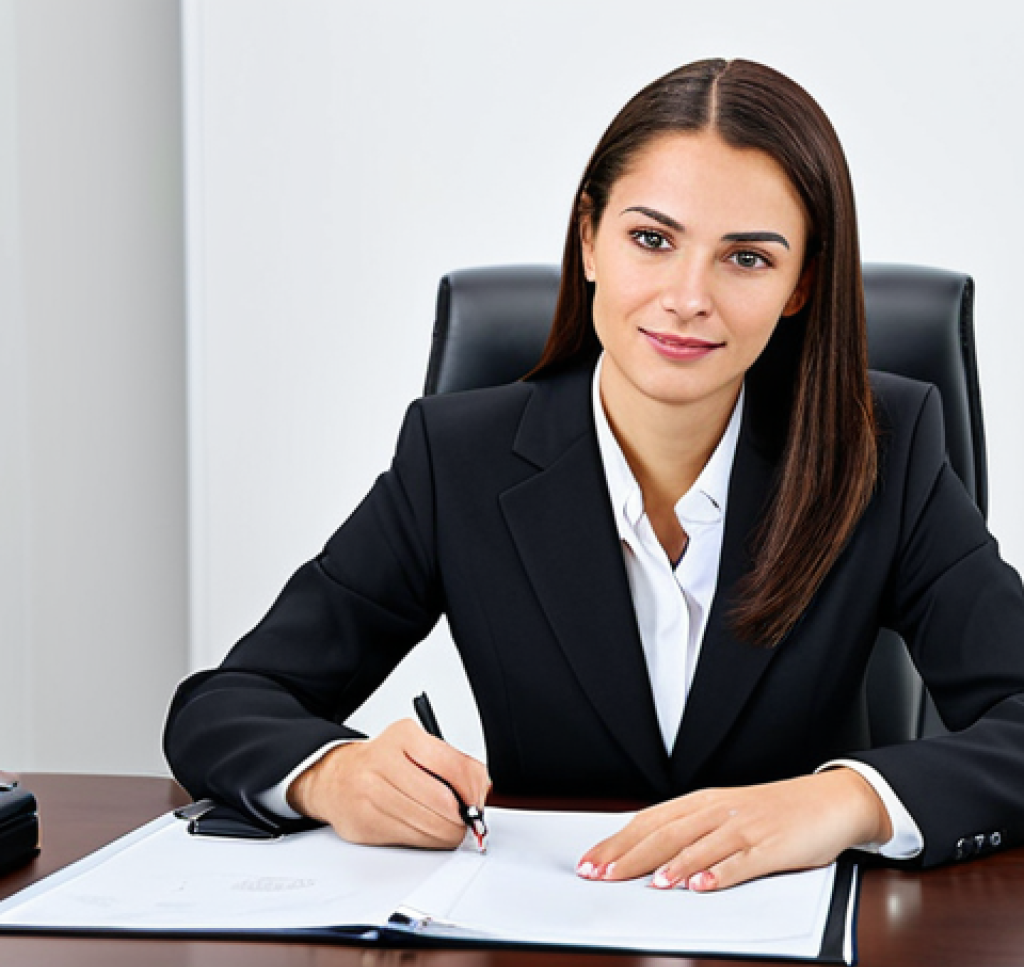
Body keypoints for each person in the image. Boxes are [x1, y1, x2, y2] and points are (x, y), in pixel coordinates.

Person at [164, 58, 1024, 893]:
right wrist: (335, 774)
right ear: (589, 240)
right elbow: (227, 703)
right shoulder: (457, 458)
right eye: (651, 239)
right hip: (543, 946)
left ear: (802, 284)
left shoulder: (879, 449)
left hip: (791, 961)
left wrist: (847, 800)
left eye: (748, 258)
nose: (688, 297)